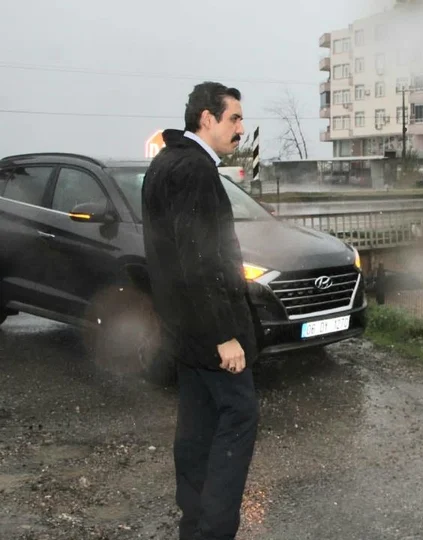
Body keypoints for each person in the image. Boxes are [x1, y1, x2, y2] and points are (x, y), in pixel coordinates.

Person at [141, 81, 259, 540]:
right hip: (209, 330)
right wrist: (224, 335)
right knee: (239, 415)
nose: (241, 129)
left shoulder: (166, 162)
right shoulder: (195, 171)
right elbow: (199, 259)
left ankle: (193, 526)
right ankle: (214, 530)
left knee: (196, 425)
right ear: (207, 119)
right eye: (234, 119)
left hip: (183, 328)